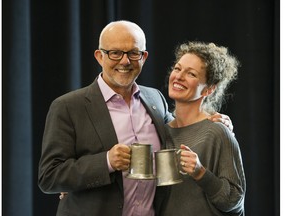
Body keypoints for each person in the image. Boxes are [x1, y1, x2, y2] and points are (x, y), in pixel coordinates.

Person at [38, 20, 234, 216]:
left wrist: (216, 119)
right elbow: (49, 177)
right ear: (99, 56)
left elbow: (180, 127)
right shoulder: (68, 107)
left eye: (133, 53)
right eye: (115, 53)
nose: (125, 61)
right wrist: (106, 161)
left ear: (144, 57)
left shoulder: (155, 99)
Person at [157, 41, 246, 216]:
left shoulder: (217, 132)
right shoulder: (161, 132)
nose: (179, 76)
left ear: (209, 90)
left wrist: (200, 172)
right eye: (177, 69)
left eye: (191, 73)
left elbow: (234, 201)